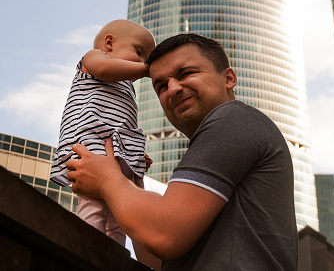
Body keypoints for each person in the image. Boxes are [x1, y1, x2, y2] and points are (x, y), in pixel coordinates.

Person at [67, 33, 298, 270]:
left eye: (186, 73)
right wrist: (128, 178)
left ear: (228, 78)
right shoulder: (217, 143)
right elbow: (155, 258)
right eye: (161, 86)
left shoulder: (232, 119)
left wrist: (107, 180)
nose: (173, 89)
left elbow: (163, 234)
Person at [50, 19, 156, 246]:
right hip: (91, 148)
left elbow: (121, 125)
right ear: (109, 43)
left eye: (147, 59)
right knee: (94, 205)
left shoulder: (126, 85)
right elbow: (103, 70)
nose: (143, 62)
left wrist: (133, 155)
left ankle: (114, 257)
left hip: (116, 153)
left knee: (120, 217)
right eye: (139, 52)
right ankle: (87, 251)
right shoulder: (95, 58)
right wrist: (148, 70)